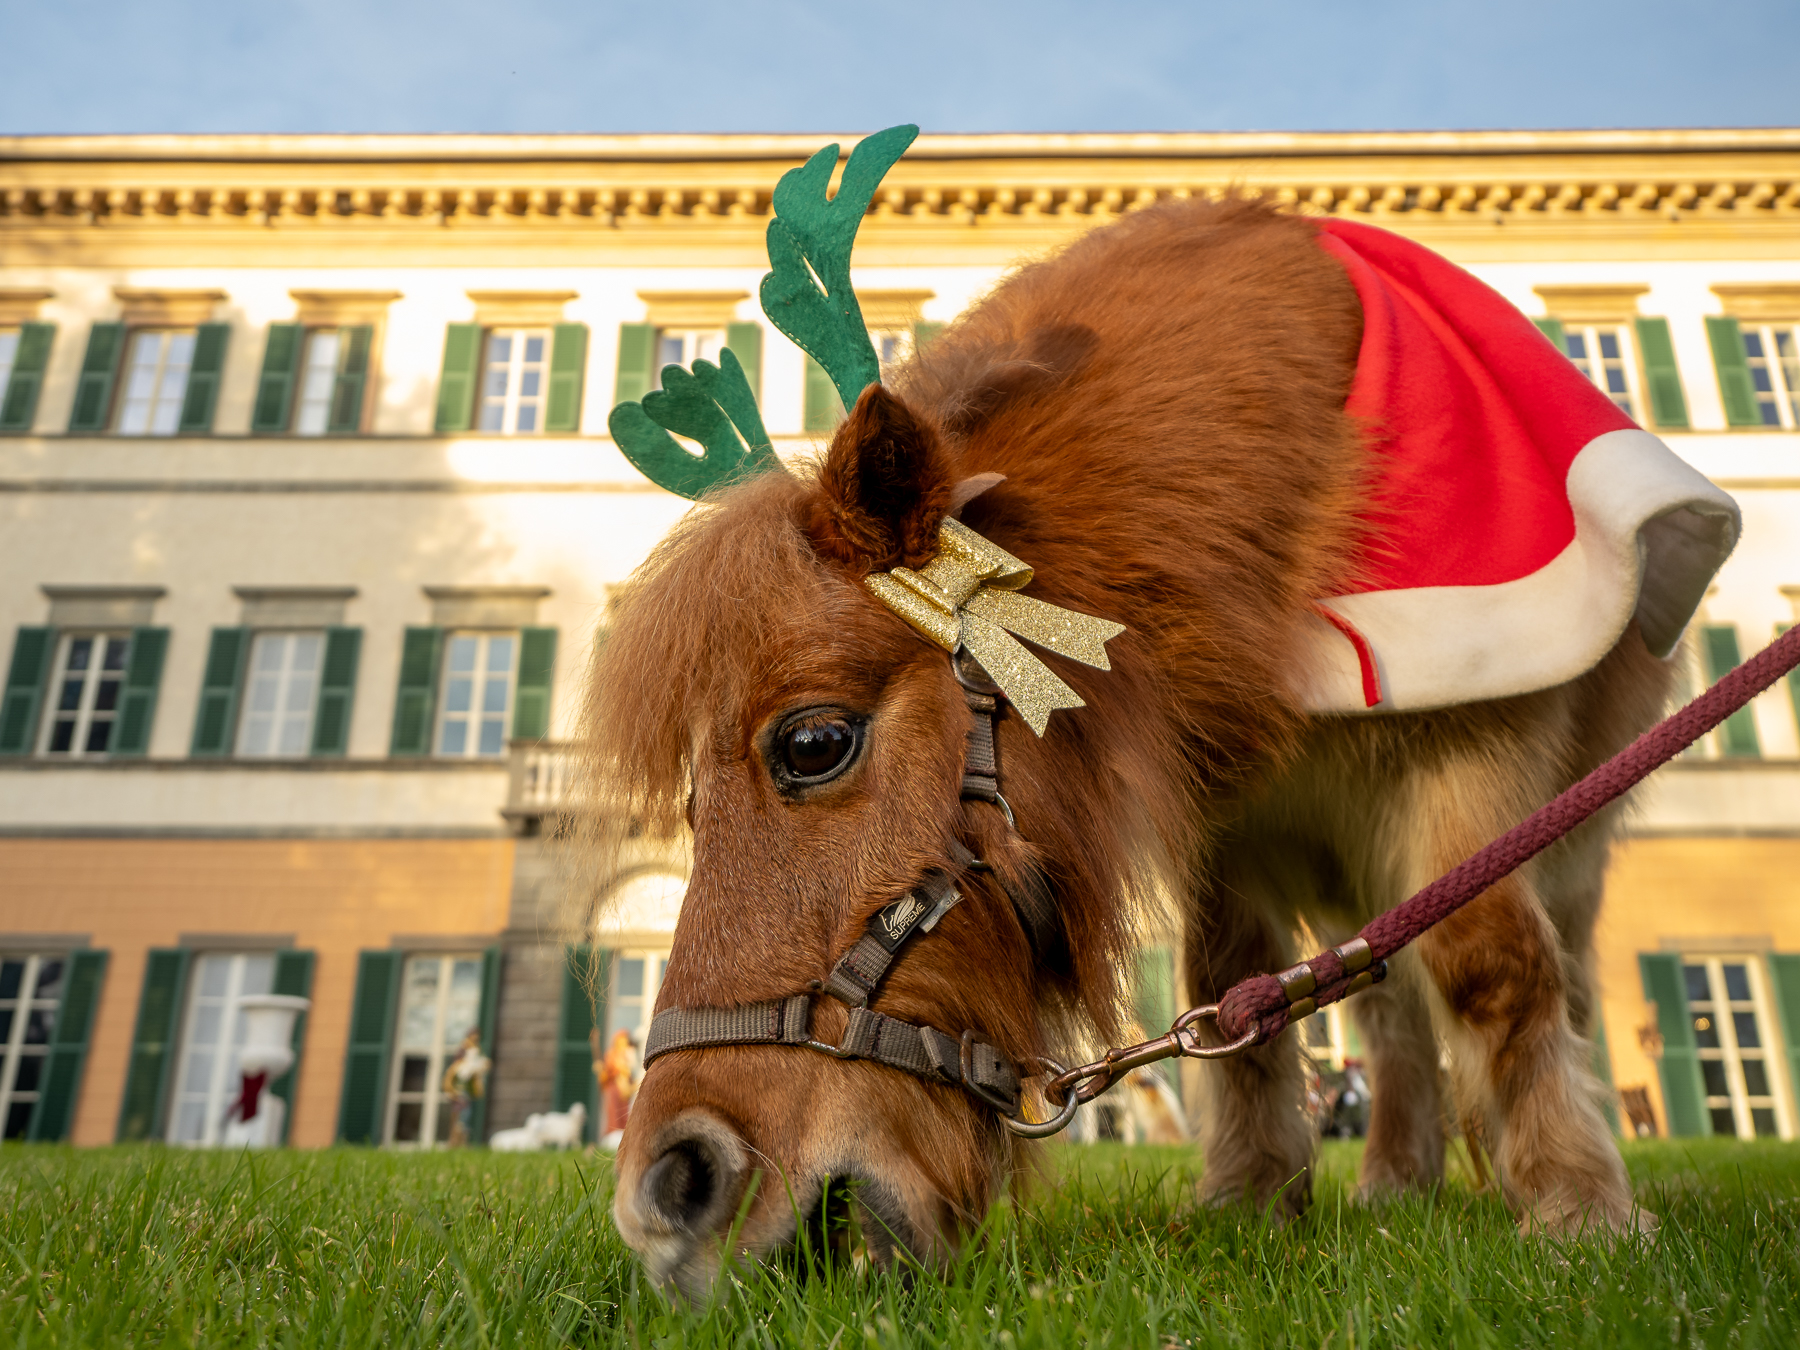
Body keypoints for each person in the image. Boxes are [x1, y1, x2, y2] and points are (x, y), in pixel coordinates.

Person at [441, 1028, 490, 1147]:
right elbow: (456, 1070)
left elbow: (482, 1064)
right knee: (461, 1115)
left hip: (468, 1089)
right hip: (460, 1089)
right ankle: (454, 1141)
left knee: (466, 1115)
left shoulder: (476, 1049)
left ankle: (462, 1142)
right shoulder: (464, 1049)